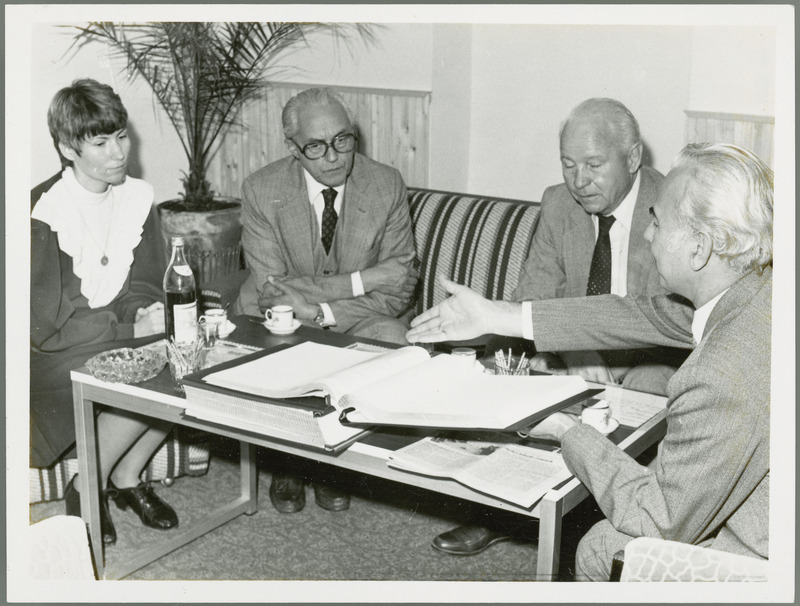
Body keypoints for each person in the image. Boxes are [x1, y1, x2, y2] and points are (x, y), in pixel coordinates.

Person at [407, 143, 771, 580]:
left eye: (658, 222)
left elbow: (658, 520)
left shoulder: (720, 376)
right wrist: (494, 314)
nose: (649, 234)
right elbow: (639, 313)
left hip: (767, 555)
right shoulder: (756, 289)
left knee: (602, 545)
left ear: (699, 247)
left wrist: (565, 430)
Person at [433, 97, 688, 556]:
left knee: (649, 390)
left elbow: (670, 315)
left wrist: (596, 353)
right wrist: (575, 353)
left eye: (593, 164)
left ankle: (605, 525)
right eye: (569, 164)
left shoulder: (671, 205)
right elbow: (533, 296)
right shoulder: (558, 202)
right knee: (512, 368)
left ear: (632, 159)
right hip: (570, 346)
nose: (579, 181)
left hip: (653, 354)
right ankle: (502, 508)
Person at [235, 87, 418, 514]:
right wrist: (364, 278)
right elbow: (272, 292)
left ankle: (337, 461)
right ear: (293, 149)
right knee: (280, 343)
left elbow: (399, 289)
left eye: (343, 140)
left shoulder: (385, 183)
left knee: (396, 340)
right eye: (316, 147)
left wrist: (320, 309)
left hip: (361, 317)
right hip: (279, 320)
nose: (334, 156)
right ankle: (288, 459)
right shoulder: (262, 190)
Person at [31, 79, 179, 545]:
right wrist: (130, 326)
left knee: (193, 355)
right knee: (153, 368)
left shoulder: (135, 197)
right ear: (67, 147)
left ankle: (128, 476)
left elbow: (143, 280)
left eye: (121, 136)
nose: (118, 153)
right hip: (53, 352)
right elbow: (42, 326)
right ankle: (86, 485)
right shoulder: (43, 211)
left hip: (117, 333)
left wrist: (147, 312)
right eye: (100, 142)